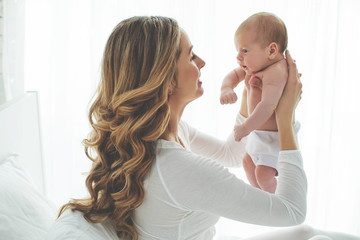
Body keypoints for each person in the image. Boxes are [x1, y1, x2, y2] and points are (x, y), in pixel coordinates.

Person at [45, 16, 358, 240]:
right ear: (166, 79)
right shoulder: (178, 169)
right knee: (310, 232)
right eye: (191, 55)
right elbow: (291, 210)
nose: (203, 63)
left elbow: (231, 154)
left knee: (313, 234)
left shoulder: (162, 135)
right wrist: (286, 119)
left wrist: (251, 95)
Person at [220, 12, 298, 193]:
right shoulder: (254, 65)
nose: (239, 57)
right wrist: (226, 89)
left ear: (271, 50)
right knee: (247, 163)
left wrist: (246, 127)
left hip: (275, 138)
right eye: (237, 50)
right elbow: (233, 75)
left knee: (263, 174)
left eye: (244, 50)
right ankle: (263, 198)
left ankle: (278, 198)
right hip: (258, 133)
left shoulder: (276, 72)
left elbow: (268, 106)